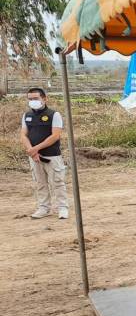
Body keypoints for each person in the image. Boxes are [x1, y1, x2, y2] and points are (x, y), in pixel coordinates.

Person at [20, 88, 68, 219]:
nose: (32, 101)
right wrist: (32, 151)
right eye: (30, 99)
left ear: (44, 99)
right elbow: (23, 135)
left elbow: (55, 136)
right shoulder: (27, 115)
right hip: (34, 157)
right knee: (40, 183)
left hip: (52, 155)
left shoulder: (54, 115)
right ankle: (44, 208)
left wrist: (36, 148)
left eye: (35, 98)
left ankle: (62, 207)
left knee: (57, 182)